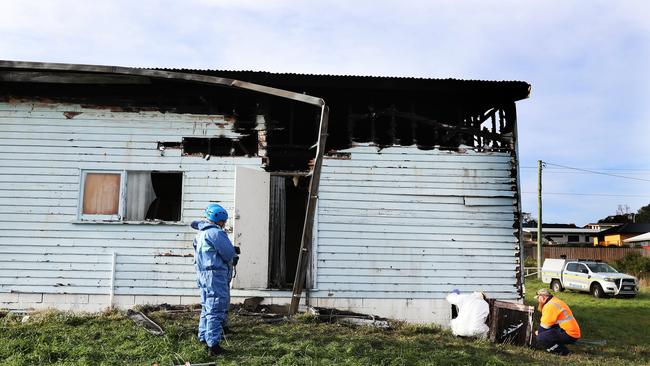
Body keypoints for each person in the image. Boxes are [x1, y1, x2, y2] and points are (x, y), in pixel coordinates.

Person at [192, 203, 237, 356]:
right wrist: (234, 253)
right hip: (215, 275)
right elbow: (228, 253)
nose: (224, 224)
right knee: (216, 307)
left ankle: (203, 337)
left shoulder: (200, 233)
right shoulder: (215, 233)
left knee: (207, 306)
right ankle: (214, 345)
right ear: (220, 220)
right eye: (224, 221)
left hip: (203, 273)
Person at [534, 288, 581, 355]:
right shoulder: (554, 300)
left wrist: (536, 333)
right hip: (571, 331)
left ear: (542, 297)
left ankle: (563, 352)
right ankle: (558, 346)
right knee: (546, 334)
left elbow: (543, 328)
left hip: (570, 334)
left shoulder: (549, 306)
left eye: (538, 299)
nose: (538, 301)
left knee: (541, 338)